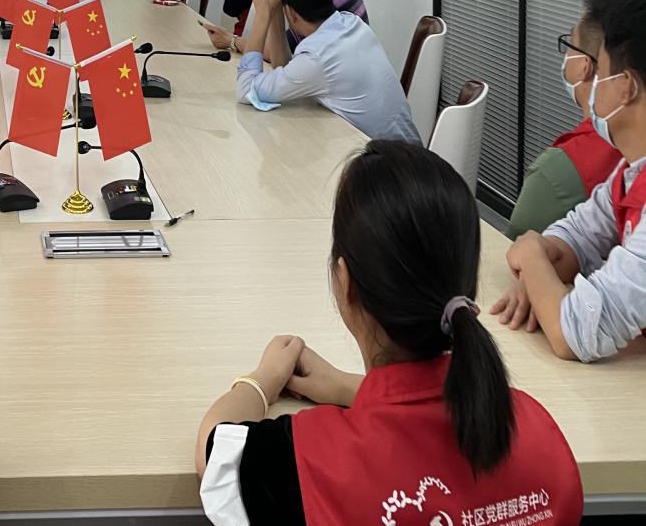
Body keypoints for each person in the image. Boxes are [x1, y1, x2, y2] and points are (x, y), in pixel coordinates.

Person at [195, 140, 582, 526]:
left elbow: (214, 454)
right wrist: (345, 386)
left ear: (345, 283)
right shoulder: (533, 427)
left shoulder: (311, 460)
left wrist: (264, 379)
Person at [492, 0, 646, 363]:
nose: (594, 87)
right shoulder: (630, 171)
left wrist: (534, 258)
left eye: (602, 72)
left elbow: (576, 335)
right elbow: (579, 232)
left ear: (625, 86)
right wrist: (540, 275)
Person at [236, 0, 419, 143]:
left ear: (290, 12)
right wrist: (274, 12)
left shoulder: (317, 57)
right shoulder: (352, 23)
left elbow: (246, 89)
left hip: (387, 159)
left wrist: (262, 14)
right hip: (410, 153)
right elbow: (285, 68)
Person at [506, 0, 626, 238]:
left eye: (570, 45)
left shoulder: (557, 172)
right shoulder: (631, 150)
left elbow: (513, 248)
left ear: (585, 66)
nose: (565, 56)